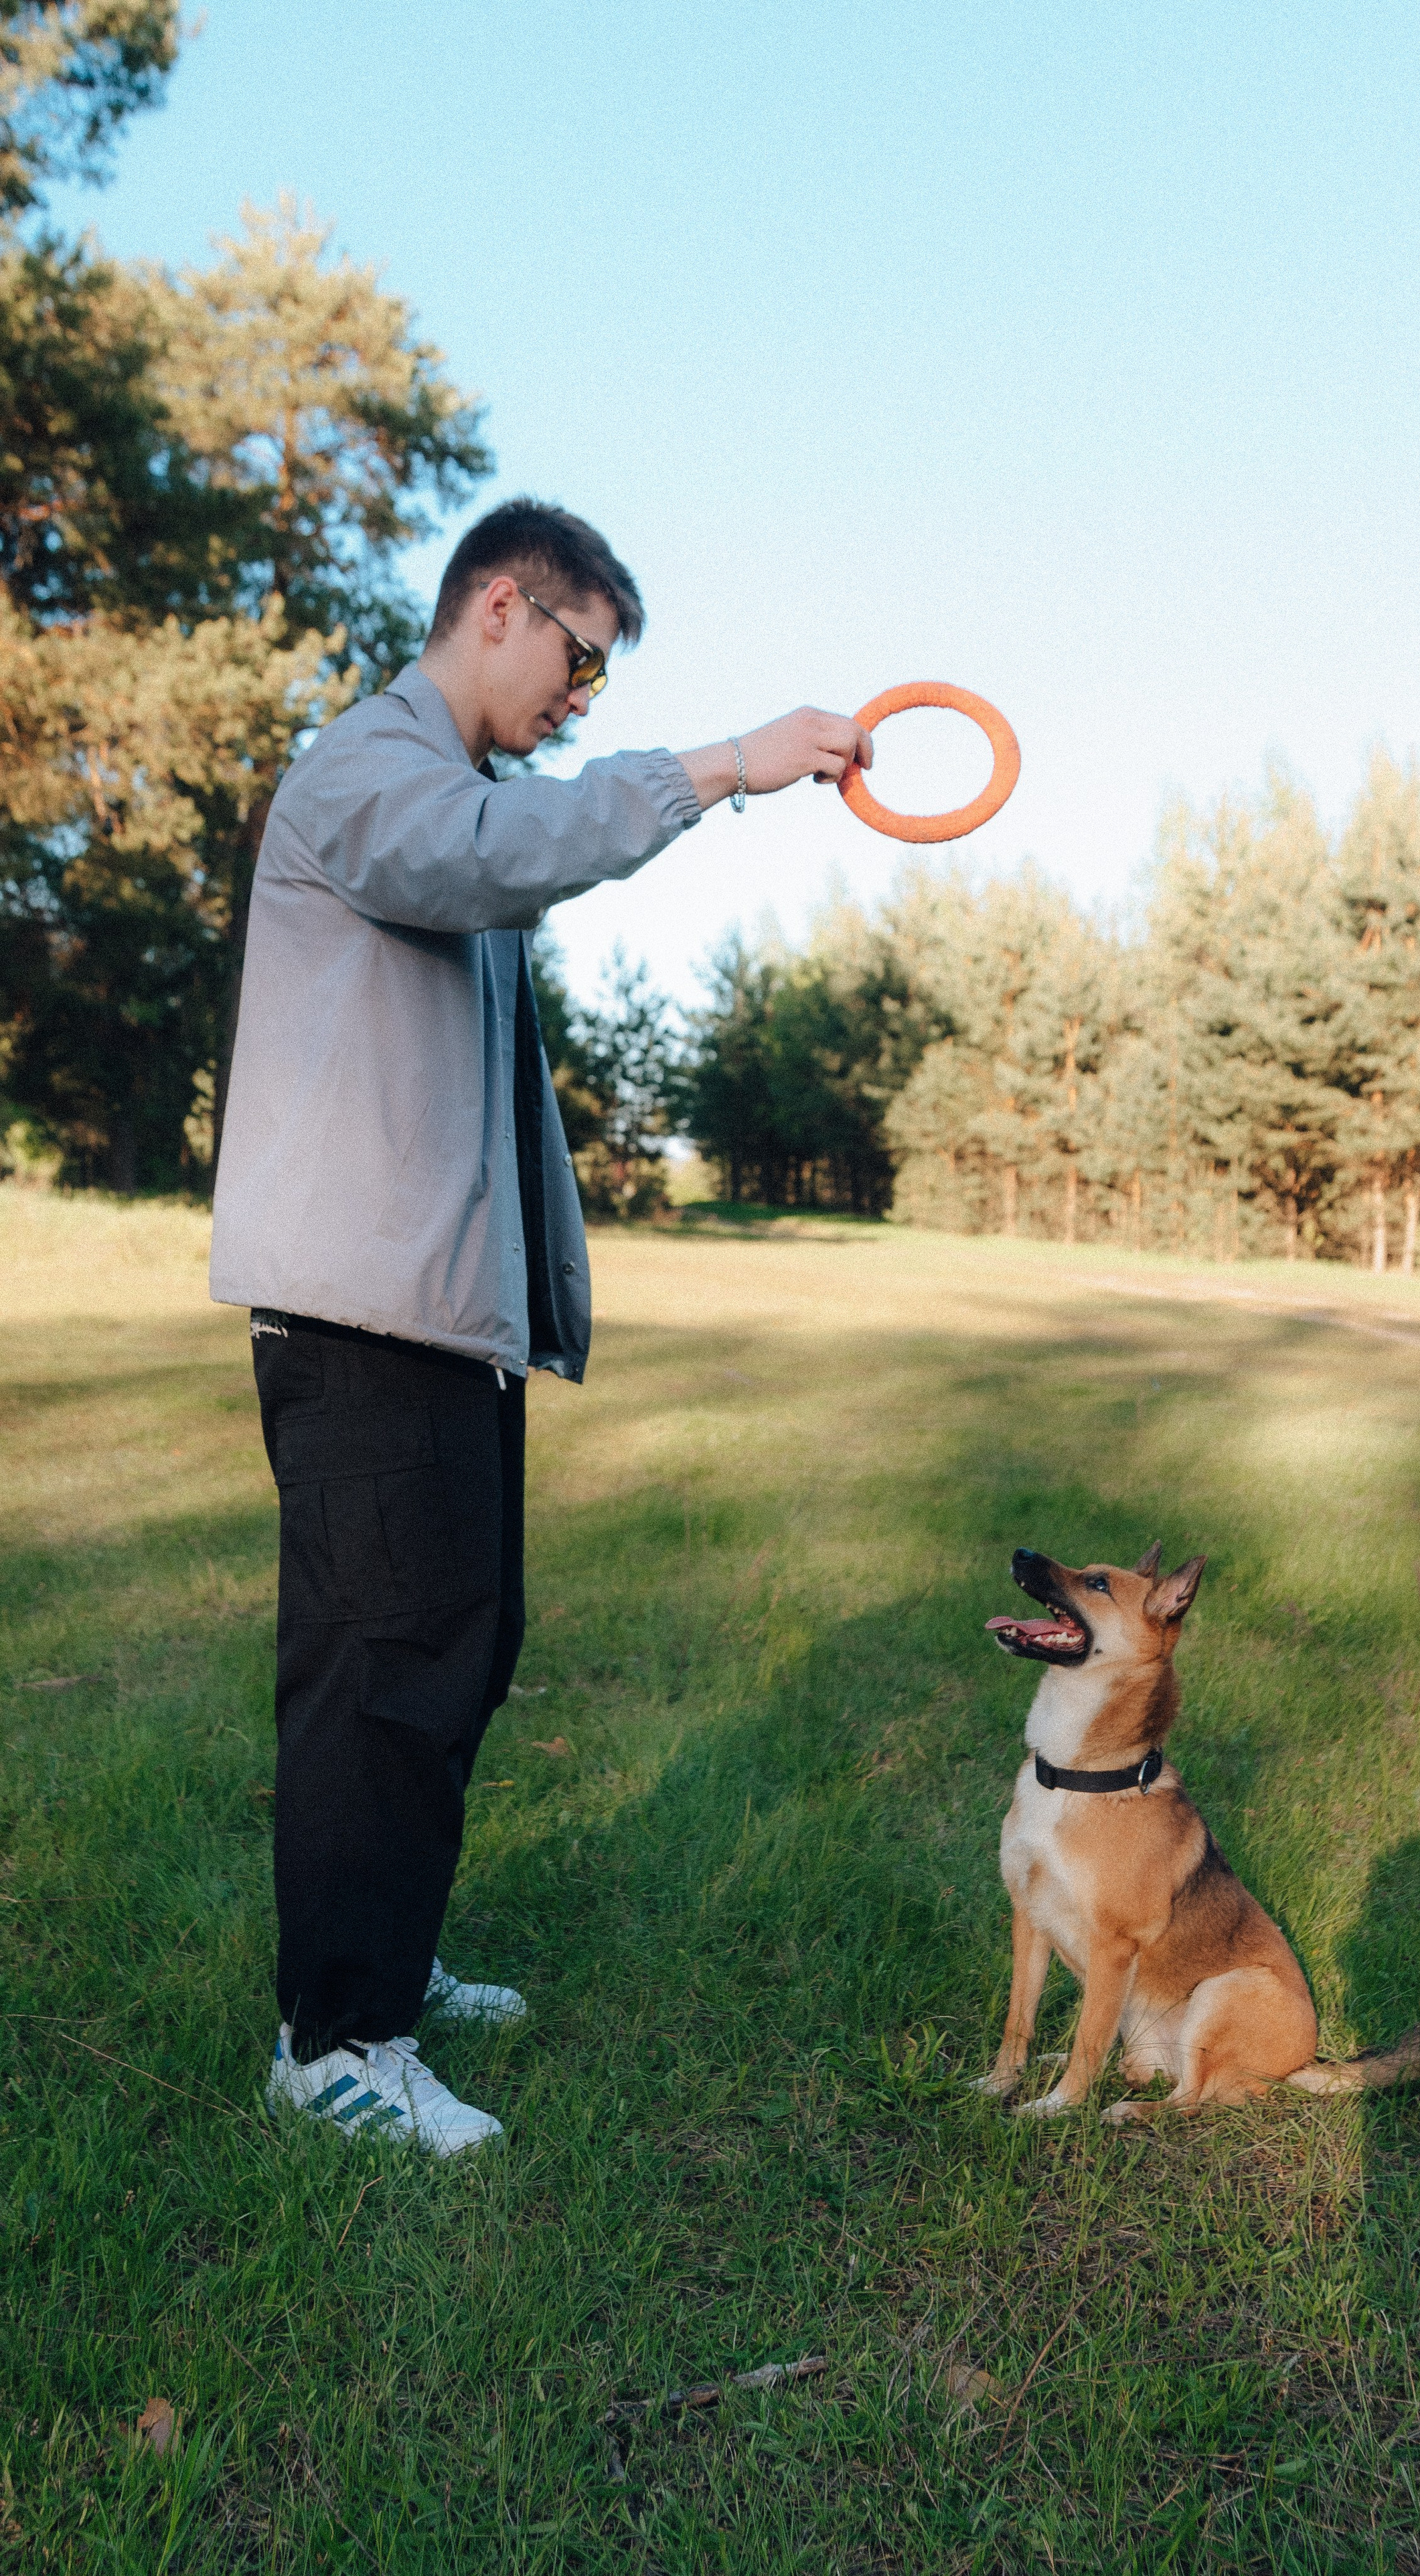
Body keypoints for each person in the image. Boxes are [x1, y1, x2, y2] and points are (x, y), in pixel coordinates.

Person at [210, 497, 872, 2155]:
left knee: (460, 1649)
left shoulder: (457, 791)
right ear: (498, 606)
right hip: (361, 1321)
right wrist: (717, 763)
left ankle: (393, 1962)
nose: (583, 695)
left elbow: (504, 876)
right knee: (381, 1673)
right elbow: (497, 858)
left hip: (440, 1324)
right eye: (580, 657)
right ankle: (335, 2047)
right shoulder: (370, 770)